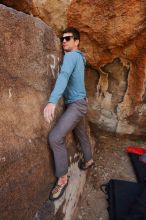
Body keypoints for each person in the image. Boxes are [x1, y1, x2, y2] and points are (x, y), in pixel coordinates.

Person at [44, 27, 94, 201]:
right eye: (62, 38)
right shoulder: (81, 58)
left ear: (77, 41)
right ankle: (89, 160)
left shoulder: (72, 56)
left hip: (76, 106)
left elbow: (64, 76)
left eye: (68, 38)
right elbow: (77, 80)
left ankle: (63, 178)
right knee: (81, 135)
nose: (63, 41)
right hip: (80, 104)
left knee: (55, 137)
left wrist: (52, 101)